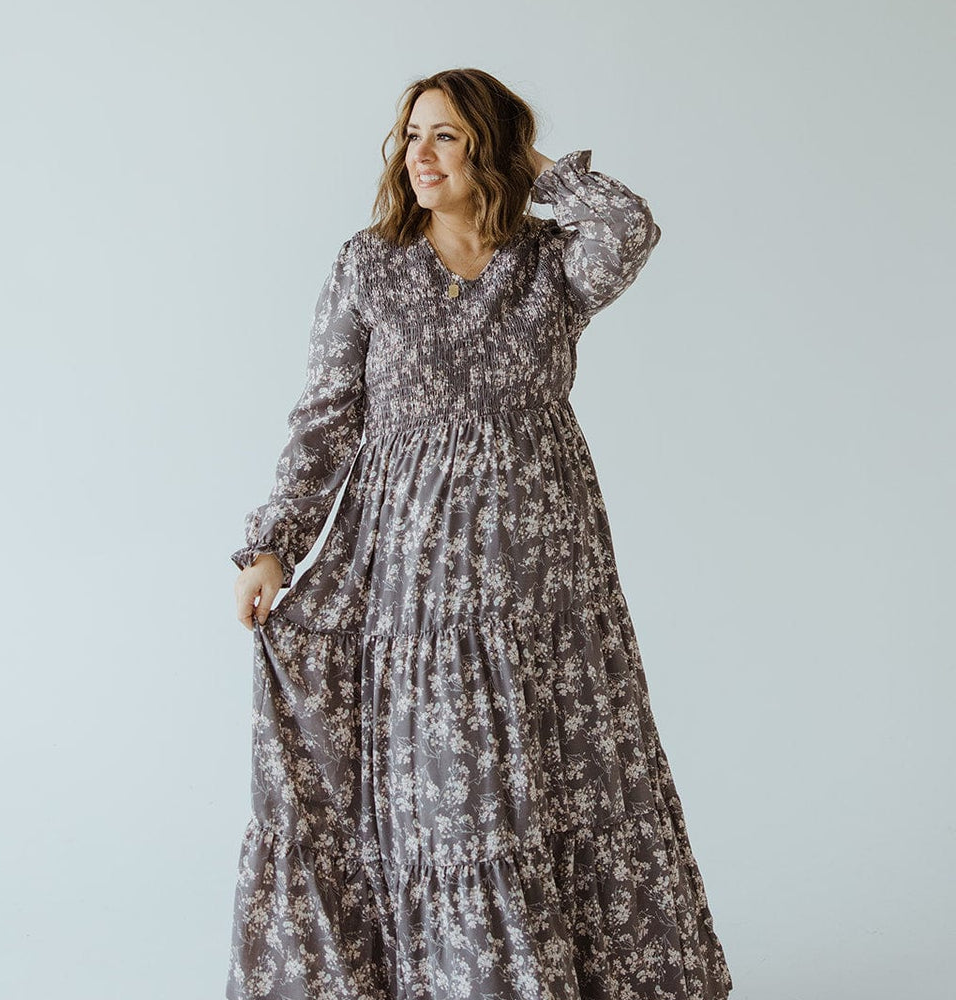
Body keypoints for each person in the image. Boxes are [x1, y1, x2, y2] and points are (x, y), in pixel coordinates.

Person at [225, 67, 733, 1000]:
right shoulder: (369, 266)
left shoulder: (551, 265)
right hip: (417, 581)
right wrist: (274, 543)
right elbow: (326, 417)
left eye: (447, 136)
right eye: (411, 135)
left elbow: (632, 227)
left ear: (490, 149)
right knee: (452, 795)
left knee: (560, 778)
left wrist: (535, 166)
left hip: (545, 576)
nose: (418, 155)